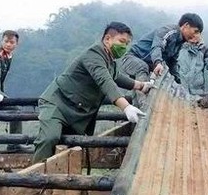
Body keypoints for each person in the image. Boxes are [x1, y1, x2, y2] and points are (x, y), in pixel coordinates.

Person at [31, 22, 150, 163]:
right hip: (58, 103)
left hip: (77, 110)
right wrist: (126, 107)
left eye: (127, 43)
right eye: (121, 41)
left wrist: (141, 85)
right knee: (49, 138)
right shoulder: (94, 54)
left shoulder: (109, 60)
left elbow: (117, 77)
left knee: (73, 148)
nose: (124, 47)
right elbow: (105, 81)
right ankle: (34, 178)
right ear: (107, 39)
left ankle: (59, 181)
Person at [118, 13, 203, 102]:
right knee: (143, 69)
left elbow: (172, 63)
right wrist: (158, 62)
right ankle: (143, 102)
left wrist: (179, 82)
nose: (197, 36)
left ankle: (139, 106)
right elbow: (157, 47)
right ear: (186, 26)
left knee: (158, 80)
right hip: (131, 58)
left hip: (147, 67)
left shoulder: (180, 42)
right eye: (196, 31)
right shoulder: (168, 31)